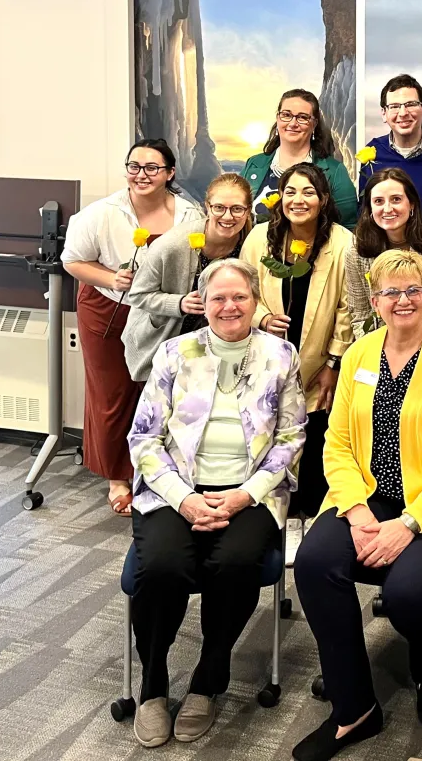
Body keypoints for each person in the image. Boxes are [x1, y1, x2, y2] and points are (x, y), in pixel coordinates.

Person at [292, 251, 422, 761]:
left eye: (413, 291)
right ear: (374, 301)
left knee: (410, 595)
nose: (403, 301)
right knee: (314, 564)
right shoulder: (359, 354)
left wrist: (409, 522)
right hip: (367, 495)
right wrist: (357, 512)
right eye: (391, 292)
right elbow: (335, 441)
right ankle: (354, 707)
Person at [126, 258, 306, 748]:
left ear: (255, 302)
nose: (229, 306)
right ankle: (154, 686)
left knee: (237, 562)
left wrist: (247, 493)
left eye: (240, 297)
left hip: (250, 492)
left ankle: (208, 679)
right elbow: (143, 440)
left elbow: (292, 436)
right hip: (175, 490)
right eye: (218, 298)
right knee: (161, 566)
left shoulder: (280, 354)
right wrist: (184, 499)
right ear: (202, 304)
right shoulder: (174, 353)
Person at [61, 138, 204, 516]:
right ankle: (117, 476)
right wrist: (111, 278)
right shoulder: (102, 213)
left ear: (169, 173)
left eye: (152, 168)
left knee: (154, 392)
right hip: (109, 310)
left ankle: (154, 469)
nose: (141, 175)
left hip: (159, 313)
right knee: (113, 394)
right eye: (134, 166)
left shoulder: (189, 214)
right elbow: (73, 261)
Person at [240, 162, 353, 521]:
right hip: (266, 360)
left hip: (318, 364)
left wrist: (334, 363)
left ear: (322, 199)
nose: (298, 200)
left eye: (308, 192)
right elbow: (244, 291)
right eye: (290, 191)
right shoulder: (260, 237)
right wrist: (262, 318)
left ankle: (310, 517)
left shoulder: (342, 242)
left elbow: (347, 308)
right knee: (267, 436)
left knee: (314, 441)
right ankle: (268, 512)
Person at [124, 173, 253, 381]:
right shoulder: (172, 245)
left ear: (248, 211)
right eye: (219, 207)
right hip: (166, 346)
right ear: (207, 207)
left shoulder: (250, 245)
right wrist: (179, 303)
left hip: (219, 352)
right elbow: (138, 295)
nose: (228, 217)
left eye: (237, 209)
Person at [346, 167, 422, 337]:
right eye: (379, 201)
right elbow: (360, 316)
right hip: (374, 344)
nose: (387, 209)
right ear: (370, 208)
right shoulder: (356, 250)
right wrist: (375, 353)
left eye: (396, 199)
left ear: (412, 204)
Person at [357, 74, 422, 234]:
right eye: (394, 106)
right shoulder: (372, 153)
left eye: (410, 104)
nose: (402, 113)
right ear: (383, 114)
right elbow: (364, 212)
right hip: (383, 253)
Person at [241, 88, 357, 229]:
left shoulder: (334, 171)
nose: (293, 123)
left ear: (314, 124)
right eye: (286, 115)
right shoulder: (254, 164)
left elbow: (349, 227)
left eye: (302, 117)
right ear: (278, 118)